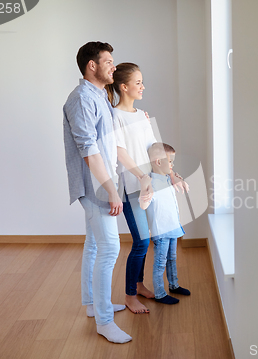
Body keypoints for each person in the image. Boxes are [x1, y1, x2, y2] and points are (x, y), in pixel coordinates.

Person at [106, 63, 189, 314]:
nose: (143, 86)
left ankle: (140, 285)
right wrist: (142, 176)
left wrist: (172, 174)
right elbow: (120, 152)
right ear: (124, 86)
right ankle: (130, 295)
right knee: (141, 242)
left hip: (155, 184)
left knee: (150, 239)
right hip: (134, 188)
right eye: (138, 82)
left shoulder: (142, 114)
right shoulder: (115, 116)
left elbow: (156, 149)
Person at [63, 41, 130, 344]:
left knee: (94, 245)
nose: (114, 67)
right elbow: (89, 149)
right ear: (92, 65)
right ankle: (104, 321)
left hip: (102, 183)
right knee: (110, 249)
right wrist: (111, 190)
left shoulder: (99, 95)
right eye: (109, 62)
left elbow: (107, 144)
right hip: (96, 187)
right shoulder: (81, 99)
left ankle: (93, 305)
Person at [141, 142, 191, 304]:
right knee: (160, 262)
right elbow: (144, 204)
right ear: (158, 162)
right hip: (162, 231)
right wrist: (144, 192)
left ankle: (174, 285)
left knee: (172, 258)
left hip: (173, 227)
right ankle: (160, 293)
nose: (172, 165)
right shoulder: (152, 183)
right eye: (170, 161)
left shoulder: (167, 180)